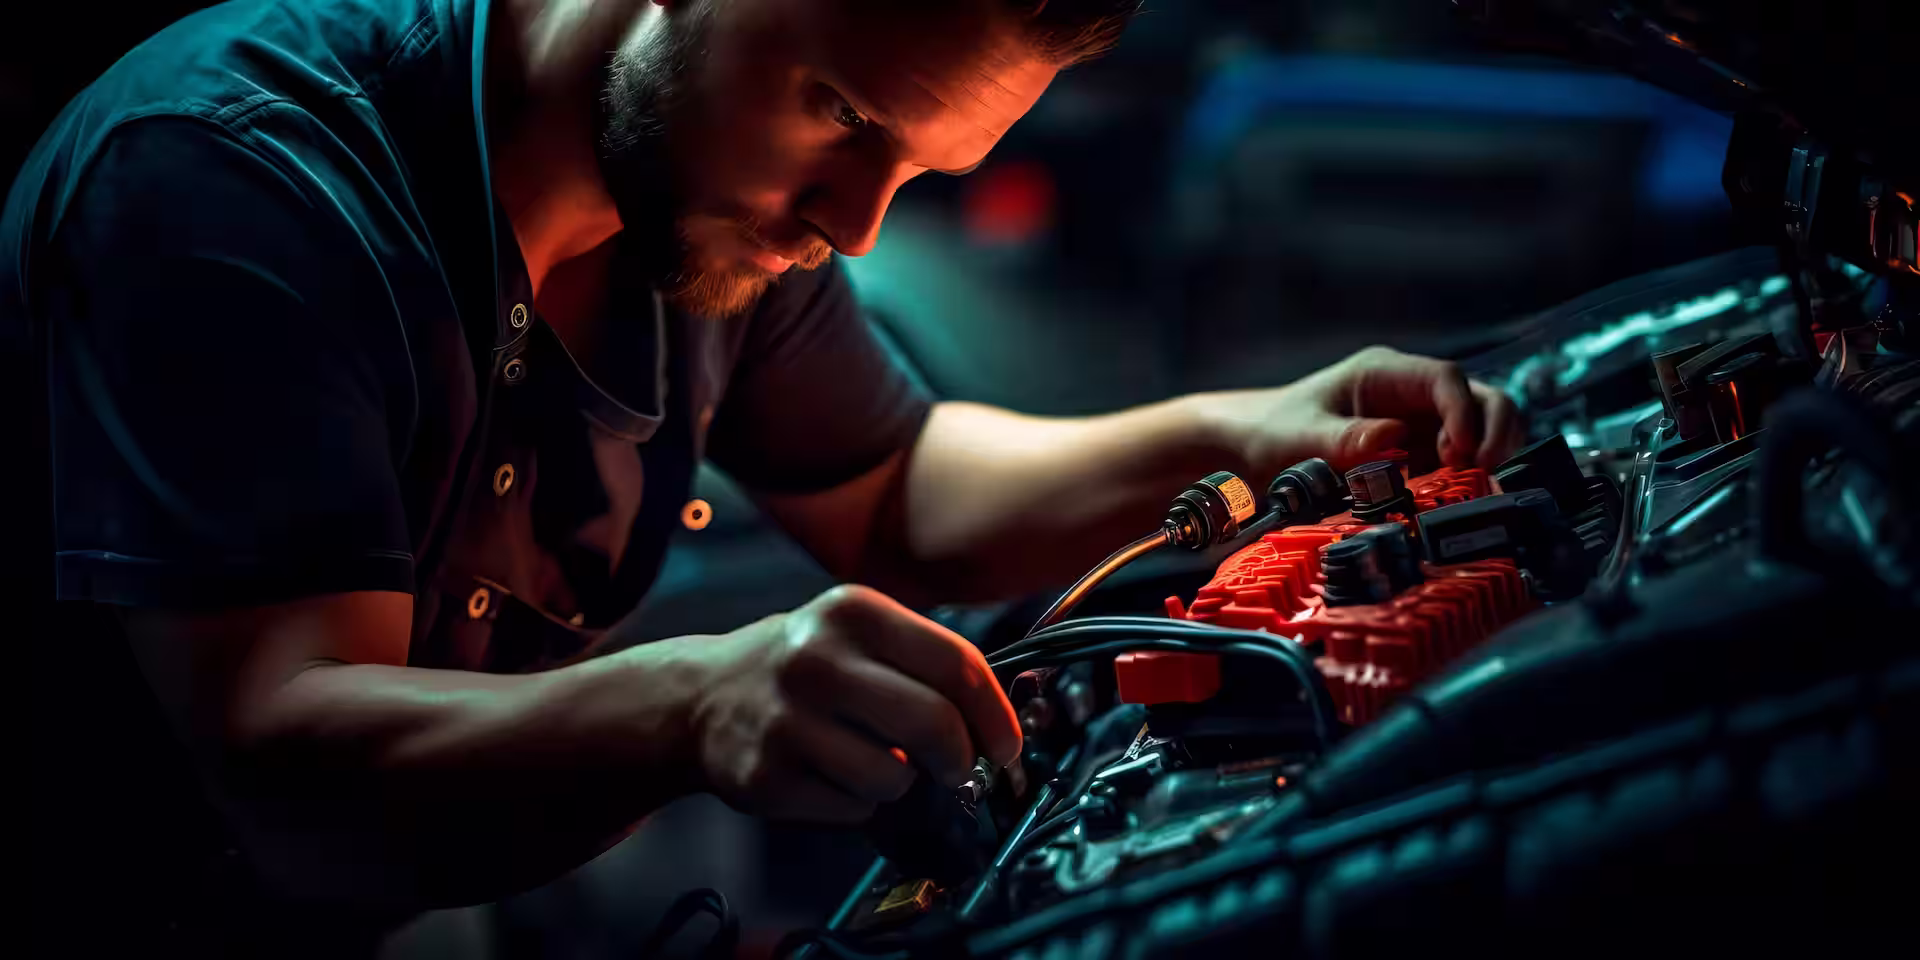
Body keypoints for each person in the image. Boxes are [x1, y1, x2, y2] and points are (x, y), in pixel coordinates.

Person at [6, 0, 1521, 953]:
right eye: (848, 118)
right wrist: (692, 700)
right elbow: (282, 764)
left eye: (916, 171)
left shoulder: (708, 201)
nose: (860, 224)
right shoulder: (233, 178)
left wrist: (1236, 436)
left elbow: (892, 481)